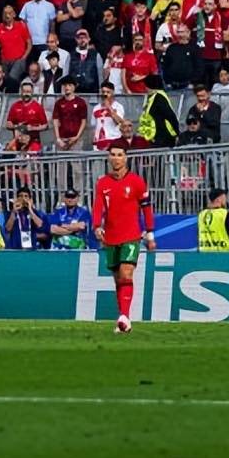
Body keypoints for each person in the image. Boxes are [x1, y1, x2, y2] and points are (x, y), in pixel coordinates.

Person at [91, 142, 156, 334]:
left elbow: (146, 208)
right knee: (118, 279)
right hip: (110, 236)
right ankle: (124, 318)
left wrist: (150, 233)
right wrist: (96, 226)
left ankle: (124, 316)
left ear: (126, 157)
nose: (116, 158)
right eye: (113, 154)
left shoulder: (136, 182)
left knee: (126, 274)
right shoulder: (103, 183)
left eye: (120, 154)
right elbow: (97, 207)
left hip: (131, 236)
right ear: (108, 157)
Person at [197, 187, 229, 252]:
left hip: (204, 252)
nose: (226, 200)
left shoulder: (201, 214)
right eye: (224, 198)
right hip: (223, 253)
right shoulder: (225, 213)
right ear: (219, 199)